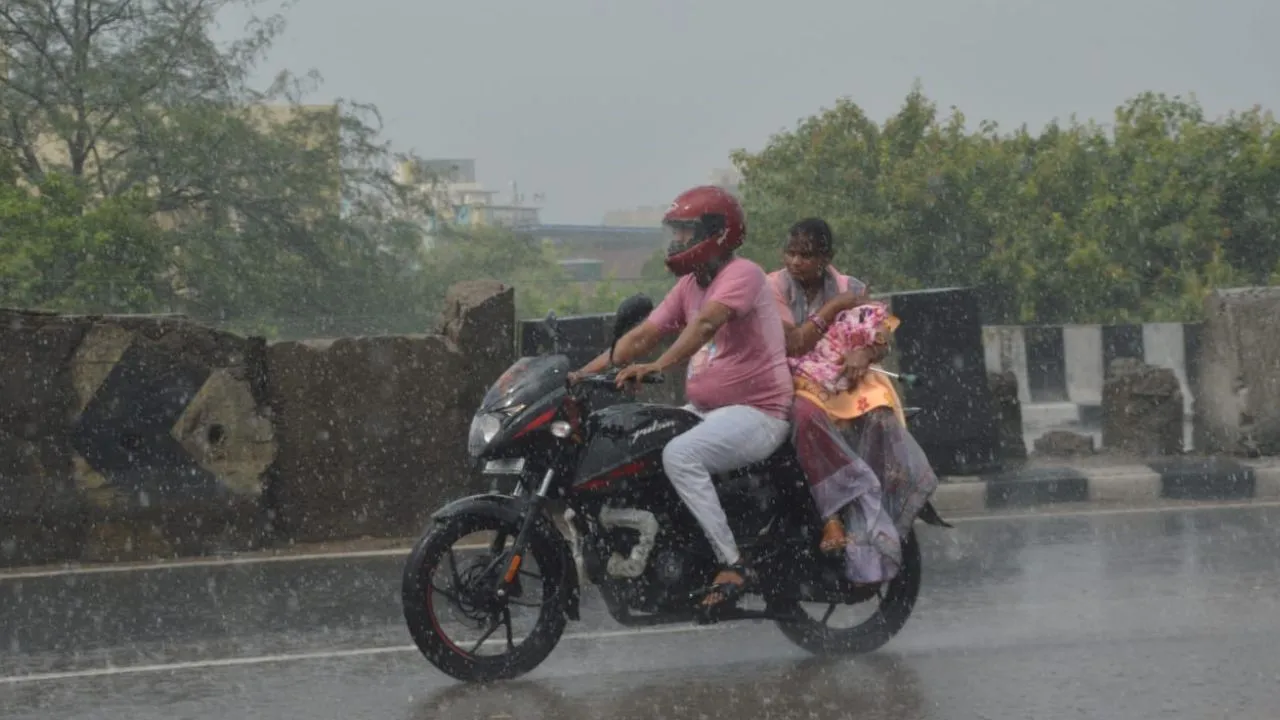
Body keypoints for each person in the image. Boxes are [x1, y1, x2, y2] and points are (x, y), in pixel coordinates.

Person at [568, 185, 793, 615]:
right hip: (709, 412)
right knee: (639, 443)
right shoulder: (690, 285)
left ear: (717, 233)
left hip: (758, 413)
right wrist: (582, 375)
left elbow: (707, 324)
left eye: (686, 232)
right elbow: (642, 336)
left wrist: (660, 366)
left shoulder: (742, 274)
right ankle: (676, 554)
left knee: (681, 456)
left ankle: (733, 564)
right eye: (675, 232)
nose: (677, 242)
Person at [769, 218, 939, 585]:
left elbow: (879, 334)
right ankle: (836, 506)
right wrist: (834, 308)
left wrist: (865, 353)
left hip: (846, 380)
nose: (795, 261)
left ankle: (866, 502)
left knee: (877, 415)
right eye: (791, 252)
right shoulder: (774, 288)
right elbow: (794, 343)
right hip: (796, 380)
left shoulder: (850, 286)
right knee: (803, 413)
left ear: (826, 257)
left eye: (806, 254)